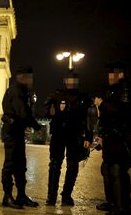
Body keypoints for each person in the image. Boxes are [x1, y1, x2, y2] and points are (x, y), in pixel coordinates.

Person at [44, 71, 92, 206]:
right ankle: (51, 197)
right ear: (65, 81)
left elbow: (89, 119)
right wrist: (50, 111)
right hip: (58, 134)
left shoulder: (84, 98)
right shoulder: (56, 95)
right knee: (54, 164)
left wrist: (88, 137)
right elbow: (46, 112)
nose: (71, 82)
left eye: (73, 80)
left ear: (77, 82)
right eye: (69, 80)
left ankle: (66, 196)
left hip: (75, 135)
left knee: (72, 165)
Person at [95, 62, 131, 215]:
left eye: (112, 73)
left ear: (120, 74)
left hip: (119, 138)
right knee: (107, 169)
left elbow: (123, 113)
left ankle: (121, 207)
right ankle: (112, 202)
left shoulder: (126, 89)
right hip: (110, 137)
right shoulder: (113, 91)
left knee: (117, 170)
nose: (109, 76)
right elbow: (106, 118)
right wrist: (101, 134)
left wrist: (102, 104)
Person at [0, 65, 42, 209]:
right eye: (29, 77)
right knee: (10, 165)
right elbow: (23, 112)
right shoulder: (17, 91)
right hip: (11, 133)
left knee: (21, 165)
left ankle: (21, 195)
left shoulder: (22, 91)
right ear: (22, 78)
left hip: (17, 132)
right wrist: (36, 126)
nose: (32, 80)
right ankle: (7, 196)